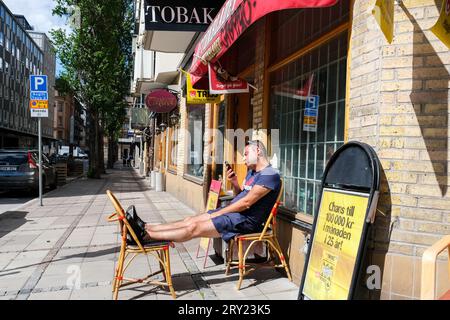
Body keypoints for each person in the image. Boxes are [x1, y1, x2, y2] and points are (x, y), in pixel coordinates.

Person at [143, 140, 281, 243]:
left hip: (245, 221)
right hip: (235, 214)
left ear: (257, 151)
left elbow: (246, 203)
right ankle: (148, 228)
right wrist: (234, 183)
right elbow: (241, 196)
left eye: (245, 154)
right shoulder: (252, 172)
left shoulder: (270, 175)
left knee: (193, 228)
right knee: (189, 220)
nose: (243, 158)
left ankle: (147, 236)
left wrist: (219, 212)